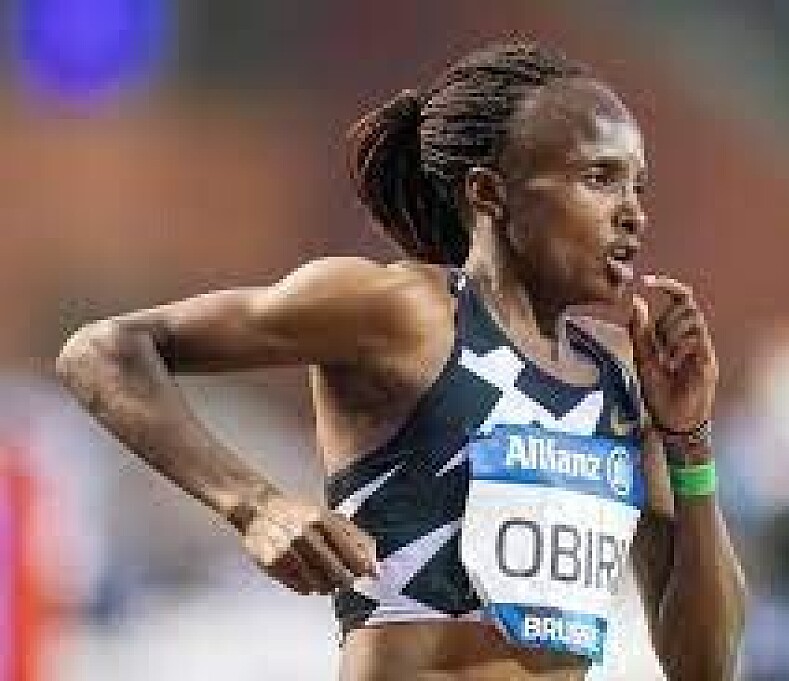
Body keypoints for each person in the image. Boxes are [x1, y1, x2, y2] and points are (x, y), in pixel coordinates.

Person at [56, 42, 746, 680]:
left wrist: (689, 439)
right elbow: (103, 352)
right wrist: (254, 504)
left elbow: (704, 666)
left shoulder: (620, 384)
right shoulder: (405, 314)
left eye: (638, 186)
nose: (633, 213)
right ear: (489, 193)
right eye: (599, 177)